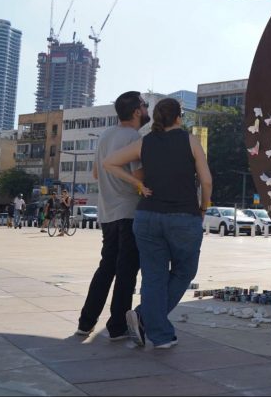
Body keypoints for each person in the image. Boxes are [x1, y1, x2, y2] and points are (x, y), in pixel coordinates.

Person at [104, 98, 212, 349]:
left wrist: (138, 184)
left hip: (147, 217)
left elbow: (109, 163)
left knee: (153, 277)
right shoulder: (190, 140)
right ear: (179, 117)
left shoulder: (145, 143)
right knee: (184, 271)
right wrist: (204, 208)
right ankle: (144, 317)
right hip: (183, 217)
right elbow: (206, 181)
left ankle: (158, 332)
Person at [75, 92, 149, 339]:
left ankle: (86, 322)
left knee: (106, 267)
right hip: (128, 211)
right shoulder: (133, 137)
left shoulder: (106, 136)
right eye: (145, 105)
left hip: (107, 213)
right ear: (137, 111)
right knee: (127, 271)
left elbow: (97, 173)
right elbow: (138, 178)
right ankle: (117, 326)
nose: (147, 109)